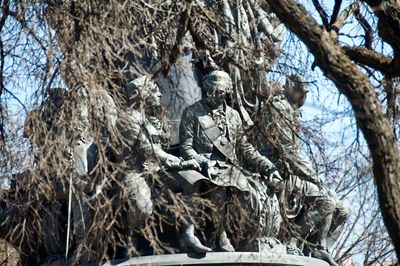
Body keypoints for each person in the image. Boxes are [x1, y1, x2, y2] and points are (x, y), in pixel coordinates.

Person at [178, 70, 283, 253]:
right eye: (212, 90)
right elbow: (186, 148)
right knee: (218, 189)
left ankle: (247, 238)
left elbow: (246, 148)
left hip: (229, 168)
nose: (216, 95)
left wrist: (268, 167)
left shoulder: (234, 116)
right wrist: (201, 160)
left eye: (221, 91)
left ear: (227, 92)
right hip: (204, 165)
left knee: (253, 193)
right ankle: (219, 235)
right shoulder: (192, 113)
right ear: (206, 88)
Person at [254, 75, 350, 266]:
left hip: (290, 170)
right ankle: (293, 241)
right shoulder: (279, 108)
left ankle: (320, 248)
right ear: (289, 87)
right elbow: (288, 151)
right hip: (275, 169)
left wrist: (313, 177)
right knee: (325, 200)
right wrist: (313, 176)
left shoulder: (291, 111)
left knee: (343, 210)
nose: (302, 97)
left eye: (304, 94)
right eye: (299, 92)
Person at [115, 76, 201, 246]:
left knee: (191, 179)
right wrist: (182, 163)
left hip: (158, 172)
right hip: (136, 173)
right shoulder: (128, 119)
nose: (160, 94)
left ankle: (187, 234)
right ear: (139, 95)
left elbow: (164, 149)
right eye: (154, 90)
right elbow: (152, 152)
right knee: (143, 207)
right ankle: (130, 239)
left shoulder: (152, 119)